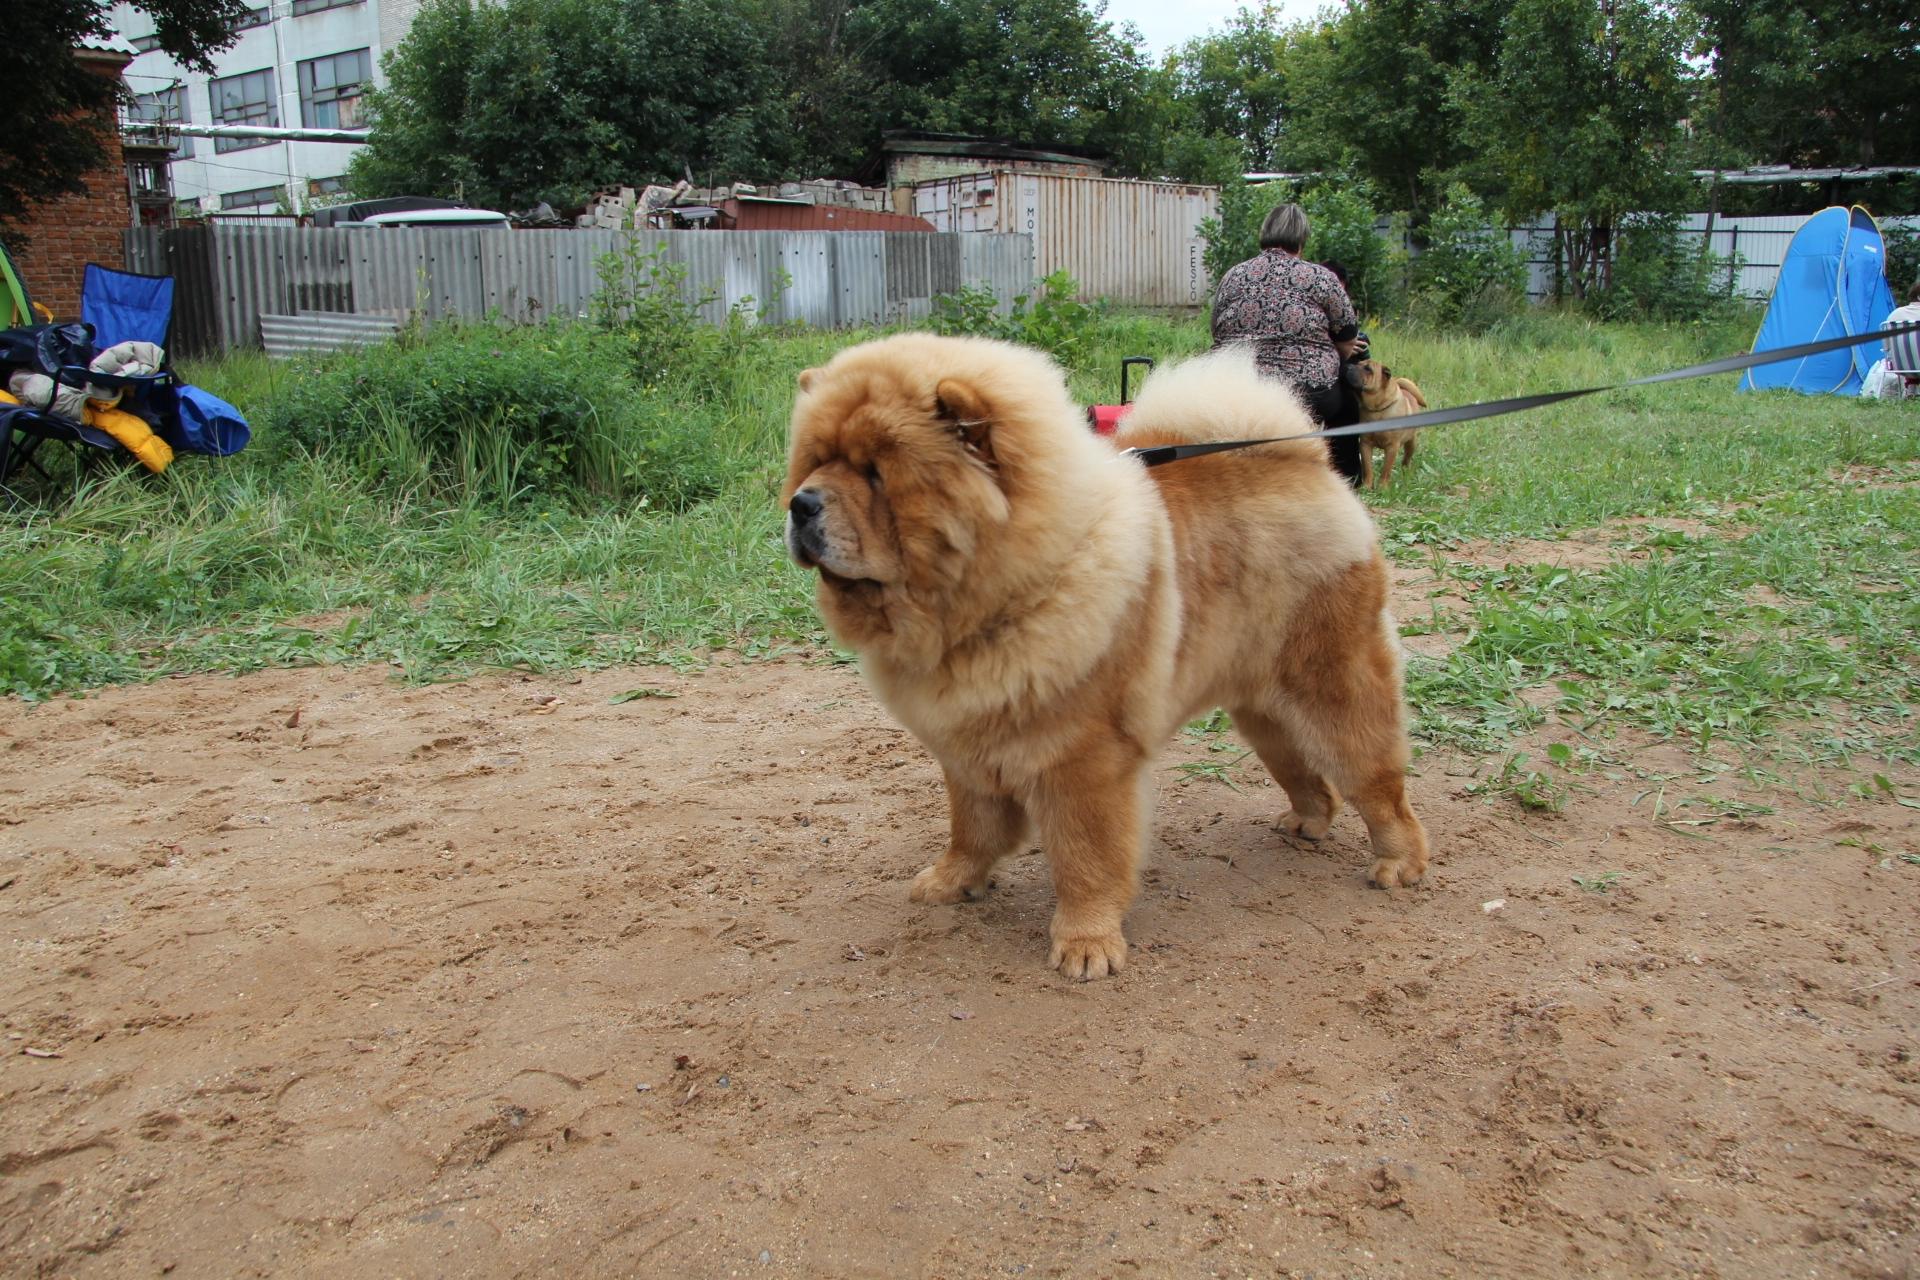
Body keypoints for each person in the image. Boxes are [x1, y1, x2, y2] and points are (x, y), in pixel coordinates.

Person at [1211, 204, 1367, 483]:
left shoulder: (1233, 276)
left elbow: (1217, 333)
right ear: (1302, 238)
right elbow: (1347, 338)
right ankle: (1345, 479)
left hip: (1239, 386)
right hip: (1308, 392)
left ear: (1265, 233)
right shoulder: (1321, 278)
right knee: (1346, 398)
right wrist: (1329, 354)